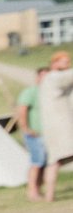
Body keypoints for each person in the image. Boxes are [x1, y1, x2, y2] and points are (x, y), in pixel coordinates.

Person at [38, 51, 73, 204]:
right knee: (55, 161)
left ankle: (49, 195)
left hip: (56, 126)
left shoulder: (49, 79)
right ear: (55, 63)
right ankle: (49, 195)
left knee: (54, 161)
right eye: (64, 62)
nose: (68, 64)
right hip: (61, 126)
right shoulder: (54, 77)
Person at [18, 66, 48, 201]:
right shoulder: (30, 92)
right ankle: (32, 191)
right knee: (37, 162)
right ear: (38, 77)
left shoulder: (49, 93)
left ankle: (39, 189)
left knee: (44, 163)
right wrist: (26, 128)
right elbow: (22, 110)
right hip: (34, 134)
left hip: (47, 133)